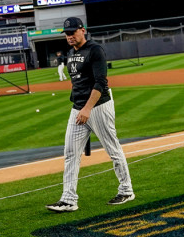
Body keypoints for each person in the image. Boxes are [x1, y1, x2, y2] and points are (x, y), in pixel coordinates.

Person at [47, 17, 134, 212]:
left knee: (112, 148)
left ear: (82, 30)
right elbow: (78, 82)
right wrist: (79, 106)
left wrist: (87, 108)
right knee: (70, 153)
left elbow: (100, 83)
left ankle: (127, 190)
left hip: (98, 106)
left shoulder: (95, 50)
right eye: (67, 33)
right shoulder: (71, 53)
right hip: (78, 108)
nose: (69, 36)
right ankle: (69, 199)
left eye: (72, 32)